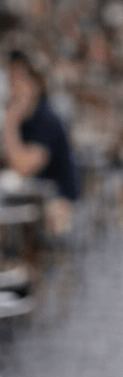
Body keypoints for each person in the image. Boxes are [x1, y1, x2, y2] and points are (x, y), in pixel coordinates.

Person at [3, 48, 79, 237]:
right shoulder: (26, 120)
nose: (14, 87)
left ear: (36, 84)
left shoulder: (46, 119)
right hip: (28, 200)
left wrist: (9, 122)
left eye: (19, 80)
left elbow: (23, 165)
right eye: (11, 80)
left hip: (57, 203)